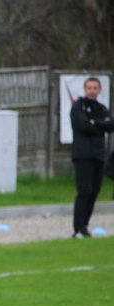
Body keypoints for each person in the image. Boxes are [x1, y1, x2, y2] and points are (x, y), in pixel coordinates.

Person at [70, 76, 114, 238]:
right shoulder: (78, 107)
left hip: (98, 155)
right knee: (84, 191)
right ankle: (77, 228)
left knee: (94, 192)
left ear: (99, 90)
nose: (92, 91)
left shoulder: (101, 108)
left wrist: (96, 123)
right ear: (85, 89)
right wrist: (97, 125)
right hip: (82, 155)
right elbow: (82, 125)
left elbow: (110, 125)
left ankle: (85, 226)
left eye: (95, 88)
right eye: (89, 88)